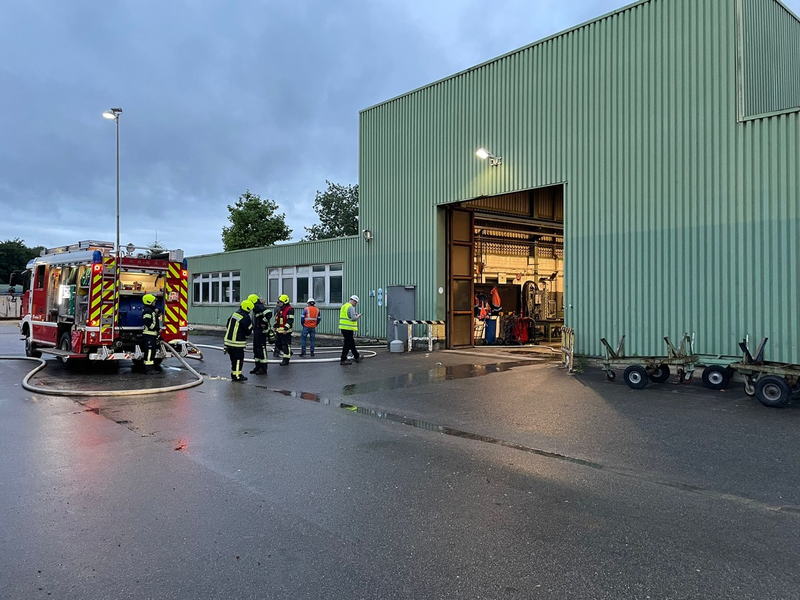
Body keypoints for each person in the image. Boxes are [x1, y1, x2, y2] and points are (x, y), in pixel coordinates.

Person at [224, 299, 254, 382]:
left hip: (228, 341)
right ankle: (237, 375)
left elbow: (227, 325)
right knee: (238, 359)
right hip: (237, 342)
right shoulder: (245, 317)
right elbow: (248, 331)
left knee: (233, 359)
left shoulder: (235, 314)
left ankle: (234, 373)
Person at [248, 294, 272, 375]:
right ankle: (257, 366)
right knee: (256, 348)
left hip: (261, 331)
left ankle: (263, 368)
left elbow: (269, 313)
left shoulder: (259, 306)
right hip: (256, 330)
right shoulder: (255, 307)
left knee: (261, 349)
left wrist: (263, 322)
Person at [139, 293, 161, 371]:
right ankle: (149, 369)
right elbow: (146, 321)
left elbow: (158, 313)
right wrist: (155, 328)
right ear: (149, 302)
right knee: (150, 351)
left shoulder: (151, 310)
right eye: (153, 302)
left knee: (151, 351)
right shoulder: (148, 311)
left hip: (151, 334)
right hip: (149, 334)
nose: (154, 303)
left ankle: (147, 367)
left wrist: (158, 310)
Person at [339, 294, 362, 365]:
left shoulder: (344, 306)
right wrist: (357, 316)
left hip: (343, 328)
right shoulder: (351, 307)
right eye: (355, 302)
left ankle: (356, 356)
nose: (355, 304)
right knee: (348, 344)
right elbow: (353, 318)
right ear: (353, 301)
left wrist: (353, 315)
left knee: (351, 343)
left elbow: (347, 315)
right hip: (348, 328)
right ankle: (343, 359)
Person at [274, 294, 295, 366]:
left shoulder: (290, 309)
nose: (278, 303)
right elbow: (277, 319)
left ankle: (286, 360)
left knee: (285, 345)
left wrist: (286, 329)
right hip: (279, 330)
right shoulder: (280, 309)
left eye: (280, 302)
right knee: (278, 344)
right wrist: (275, 326)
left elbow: (290, 320)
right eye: (278, 302)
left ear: (285, 302)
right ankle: (289, 352)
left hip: (286, 331)